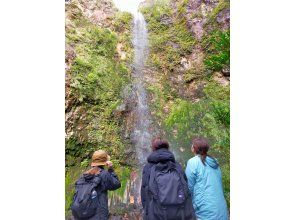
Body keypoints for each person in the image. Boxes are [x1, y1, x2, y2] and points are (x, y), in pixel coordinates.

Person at [141, 137, 196, 220]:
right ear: (167, 148)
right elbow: (185, 189)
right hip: (179, 212)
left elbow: (144, 192)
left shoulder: (148, 167)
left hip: (156, 213)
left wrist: (146, 213)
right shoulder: (177, 166)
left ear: (153, 148)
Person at [185, 138, 228, 220]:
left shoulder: (193, 162)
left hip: (205, 211)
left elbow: (189, 188)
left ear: (194, 148)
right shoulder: (214, 161)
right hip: (221, 209)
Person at [71, 150, 121, 220]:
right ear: (105, 161)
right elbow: (117, 184)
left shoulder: (85, 175)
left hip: (85, 214)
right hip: (98, 215)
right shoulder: (104, 174)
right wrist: (111, 169)